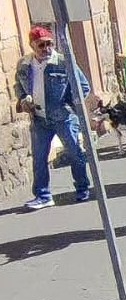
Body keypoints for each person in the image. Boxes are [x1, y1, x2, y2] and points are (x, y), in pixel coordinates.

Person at [15, 26, 91, 210]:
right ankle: (43, 195)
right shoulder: (24, 64)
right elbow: (19, 85)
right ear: (32, 45)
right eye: (41, 45)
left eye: (49, 44)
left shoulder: (63, 62)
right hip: (39, 118)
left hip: (63, 117)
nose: (46, 48)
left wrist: (69, 105)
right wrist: (23, 99)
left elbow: (83, 86)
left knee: (75, 153)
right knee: (39, 158)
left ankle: (82, 188)